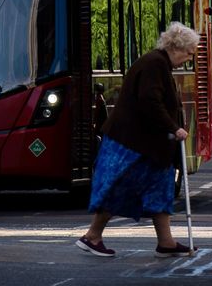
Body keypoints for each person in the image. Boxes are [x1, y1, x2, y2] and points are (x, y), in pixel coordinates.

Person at [76, 21, 200, 258]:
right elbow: (149, 102)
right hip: (131, 144)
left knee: (160, 187)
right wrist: (174, 128)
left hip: (148, 146)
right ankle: (92, 236)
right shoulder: (155, 64)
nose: (190, 57)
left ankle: (166, 242)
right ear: (176, 47)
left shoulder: (160, 64)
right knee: (119, 186)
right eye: (189, 52)